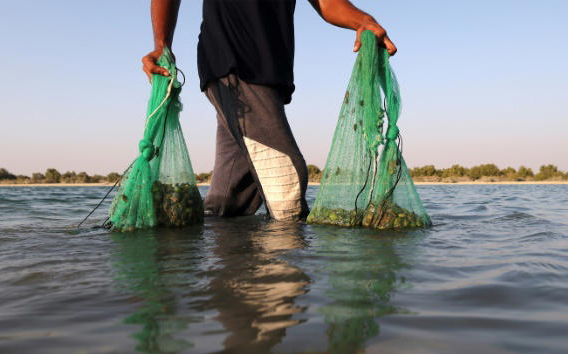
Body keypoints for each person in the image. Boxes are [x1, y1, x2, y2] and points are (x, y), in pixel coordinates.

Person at [142, 0, 397, 221]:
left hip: (269, 75)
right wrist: (161, 43)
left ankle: (224, 269)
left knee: (232, 196)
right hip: (232, 61)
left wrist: (363, 21)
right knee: (287, 179)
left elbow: (328, 4)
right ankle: (285, 269)